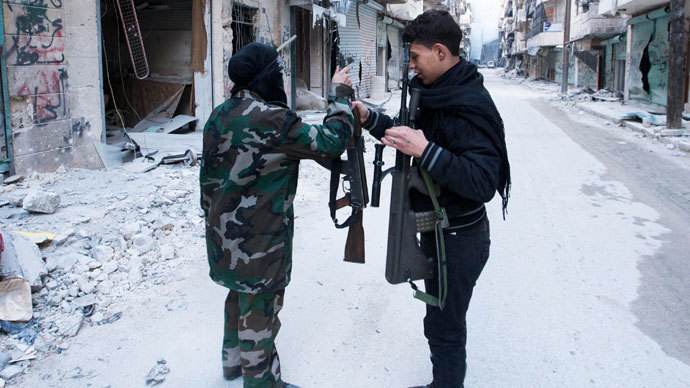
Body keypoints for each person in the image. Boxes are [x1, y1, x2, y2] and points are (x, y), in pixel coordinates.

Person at [352, 10, 510, 388]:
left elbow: (483, 181)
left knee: (445, 327)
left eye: (415, 57)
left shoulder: (468, 102)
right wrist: (370, 119)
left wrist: (427, 151)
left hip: (459, 239)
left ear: (440, 52)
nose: (411, 66)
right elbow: (411, 136)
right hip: (440, 232)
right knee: (439, 320)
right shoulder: (439, 93)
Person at [199, 42, 354, 388]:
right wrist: (339, 94)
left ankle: (232, 364)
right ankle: (262, 383)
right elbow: (331, 141)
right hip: (262, 240)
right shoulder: (274, 119)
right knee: (261, 309)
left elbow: (208, 179)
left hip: (222, 234)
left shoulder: (219, 114)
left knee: (237, 293)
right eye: (279, 74)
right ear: (267, 77)